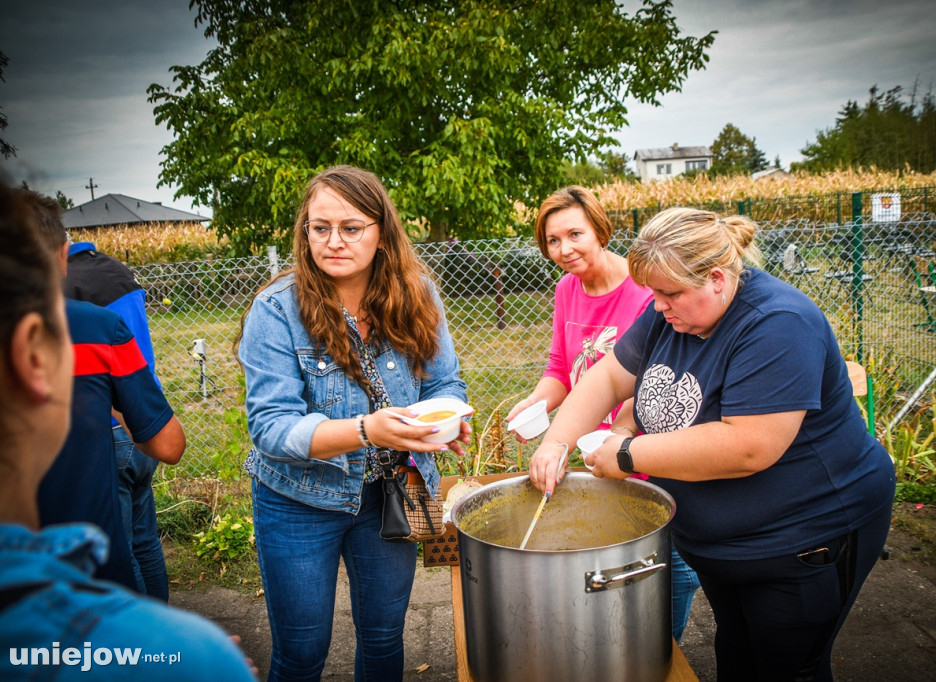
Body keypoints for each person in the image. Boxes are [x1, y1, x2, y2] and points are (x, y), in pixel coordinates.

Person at [528, 207, 895, 681]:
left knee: (787, 668)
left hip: (804, 540)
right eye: (655, 293)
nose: (657, 305)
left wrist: (625, 455)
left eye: (669, 293)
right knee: (739, 655)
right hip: (726, 545)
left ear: (718, 279)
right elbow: (609, 377)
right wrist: (556, 441)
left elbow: (746, 446)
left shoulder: (778, 324)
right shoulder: (671, 310)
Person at [0, 182, 255, 681]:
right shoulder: (94, 321)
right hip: (122, 471)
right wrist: (161, 644)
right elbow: (168, 443)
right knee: (141, 545)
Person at [236, 165, 470, 682]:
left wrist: (446, 419)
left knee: (385, 637)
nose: (333, 240)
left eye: (351, 227)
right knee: (301, 651)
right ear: (305, 232)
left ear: (380, 234)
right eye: (320, 228)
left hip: (394, 491)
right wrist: (368, 431)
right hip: (298, 500)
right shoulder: (276, 309)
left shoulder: (419, 295)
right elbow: (272, 430)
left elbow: (444, 384)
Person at [504, 185, 700, 642]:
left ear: (600, 229)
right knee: (614, 569)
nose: (564, 249)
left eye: (575, 234)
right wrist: (536, 404)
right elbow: (560, 368)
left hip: (645, 451)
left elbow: (653, 377)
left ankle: (661, 650)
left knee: (667, 573)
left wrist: (621, 434)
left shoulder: (644, 290)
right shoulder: (567, 289)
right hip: (597, 454)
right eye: (552, 240)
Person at [24, 191, 185, 593]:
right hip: (130, 420)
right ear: (62, 252)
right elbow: (169, 445)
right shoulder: (109, 299)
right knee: (139, 542)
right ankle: (152, 631)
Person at [65, 237, 171, 600]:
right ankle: (164, 623)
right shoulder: (118, 271)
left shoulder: (66, 286)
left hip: (107, 428)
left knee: (120, 553)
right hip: (145, 416)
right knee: (146, 543)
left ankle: (142, 640)